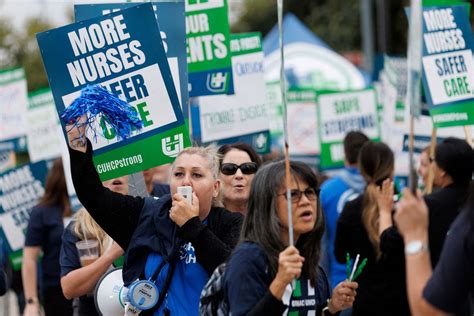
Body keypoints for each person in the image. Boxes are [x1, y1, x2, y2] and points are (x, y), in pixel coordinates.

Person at [66, 121, 243, 315]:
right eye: (178, 174)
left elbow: (233, 274)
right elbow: (93, 196)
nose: (186, 181)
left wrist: (191, 225)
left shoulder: (231, 223)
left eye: (197, 175)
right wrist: (78, 144)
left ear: (216, 187)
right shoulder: (149, 214)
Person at [224, 160, 358, 315]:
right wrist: (280, 284)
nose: (306, 201)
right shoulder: (249, 258)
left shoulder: (310, 262)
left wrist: (332, 307)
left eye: (310, 192)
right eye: (293, 195)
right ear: (267, 203)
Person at [334, 141, 410, 316]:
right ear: (391, 169)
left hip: (366, 302)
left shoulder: (351, 209)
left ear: (361, 170)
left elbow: (340, 255)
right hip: (401, 301)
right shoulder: (406, 208)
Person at [394, 184, 474, 316]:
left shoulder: (466, 222)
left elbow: (433, 312)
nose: (420, 170)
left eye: (427, 164)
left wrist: (414, 236)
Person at [60, 176, 128, 315]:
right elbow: (68, 289)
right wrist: (110, 255)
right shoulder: (79, 227)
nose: (116, 175)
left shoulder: (148, 216)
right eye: (109, 170)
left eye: (122, 169)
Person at [22, 159, 73, 316]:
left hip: (89, 284)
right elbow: (29, 258)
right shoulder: (42, 212)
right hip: (55, 289)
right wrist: (31, 300)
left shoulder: (87, 204)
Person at [320, 131, 369, 288]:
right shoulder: (386, 187)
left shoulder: (326, 191)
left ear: (345, 155)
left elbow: (321, 243)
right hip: (376, 282)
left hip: (339, 283)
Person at [217, 142, 262, 214]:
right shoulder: (202, 221)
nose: (239, 175)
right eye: (229, 168)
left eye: (247, 168)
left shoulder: (273, 218)